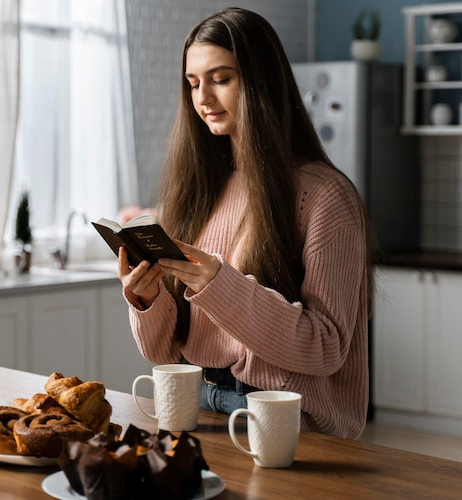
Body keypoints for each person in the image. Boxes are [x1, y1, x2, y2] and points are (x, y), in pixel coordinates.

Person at [117, 7, 372, 439]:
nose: (202, 99)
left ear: (261, 82)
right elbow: (162, 352)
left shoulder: (326, 196)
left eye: (221, 79)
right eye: (193, 83)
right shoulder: (197, 191)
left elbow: (326, 347)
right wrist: (146, 301)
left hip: (277, 413)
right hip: (194, 399)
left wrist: (220, 284)